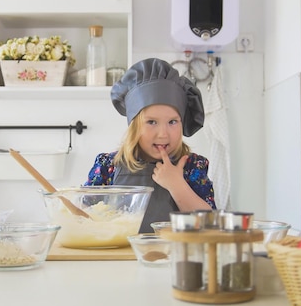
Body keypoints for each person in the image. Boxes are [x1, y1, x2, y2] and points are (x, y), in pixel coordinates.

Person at [84, 58, 215, 233]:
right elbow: (83, 217)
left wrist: (177, 185)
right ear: (134, 127)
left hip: (175, 257)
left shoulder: (192, 167)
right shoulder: (108, 166)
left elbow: (209, 225)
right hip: (119, 258)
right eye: (152, 122)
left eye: (172, 122)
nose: (163, 134)